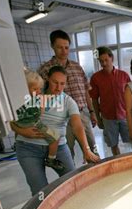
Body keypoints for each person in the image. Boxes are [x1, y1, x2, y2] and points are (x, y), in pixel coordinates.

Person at [11, 66, 100, 196]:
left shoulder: (68, 102)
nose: (58, 87)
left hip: (58, 148)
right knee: (39, 191)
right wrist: (22, 131)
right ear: (48, 79)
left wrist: (86, 150)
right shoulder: (31, 96)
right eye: (55, 82)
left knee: (73, 182)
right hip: (28, 148)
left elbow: (77, 126)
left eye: (62, 83)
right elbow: (11, 119)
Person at [38, 30, 98, 160]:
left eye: (66, 47)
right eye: (59, 47)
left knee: (92, 149)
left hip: (82, 115)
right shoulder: (45, 69)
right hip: (60, 118)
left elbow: (86, 91)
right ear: (52, 46)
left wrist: (92, 112)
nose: (64, 51)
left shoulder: (77, 67)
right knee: (66, 154)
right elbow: (39, 96)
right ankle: (73, 177)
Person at [13, 70, 64, 171]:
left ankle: (16, 144)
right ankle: (51, 160)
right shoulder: (35, 100)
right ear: (25, 88)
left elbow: (12, 119)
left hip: (19, 124)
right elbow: (39, 114)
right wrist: (42, 104)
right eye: (35, 89)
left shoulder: (16, 99)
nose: (39, 91)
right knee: (55, 138)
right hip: (35, 124)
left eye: (39, 89)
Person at [90, 47, 131, 156]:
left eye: (106, 60)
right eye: (101, 61)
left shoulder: (124, 75)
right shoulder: (95, 78)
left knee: (130, 142)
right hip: (108, 117)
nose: (103, 63)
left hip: (124, 115)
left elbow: (131, 97)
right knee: (113, 144)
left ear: (111, 58)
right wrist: (98, 118)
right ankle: (118, 162)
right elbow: (94, 99)